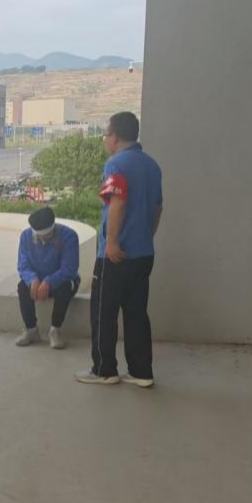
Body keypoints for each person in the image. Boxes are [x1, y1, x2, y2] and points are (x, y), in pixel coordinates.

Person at [75, 112, 163, 388]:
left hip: (115, 256)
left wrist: (112, 242)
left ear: (114, 136)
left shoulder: (116, 164)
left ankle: (104, 369)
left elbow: (118, 202)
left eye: (106, 135)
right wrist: (146, 236)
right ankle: (141, 372)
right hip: (143, 254)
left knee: (104, 312)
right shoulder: (152, 165)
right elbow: (158, 207)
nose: (105, 140)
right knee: (137, 313)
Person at [15, 207, 80, 349]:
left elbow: (69, 268)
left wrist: (49, 281)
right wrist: (33, 279)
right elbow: (23, 265)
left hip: (61, 280)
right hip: (37, 281)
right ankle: (31, 329)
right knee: (22, 287)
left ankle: (55, 329)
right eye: (39, 236)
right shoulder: (26, 236)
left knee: (65, 287)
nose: (43, 239)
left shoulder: (69, 236)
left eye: (47, 235)